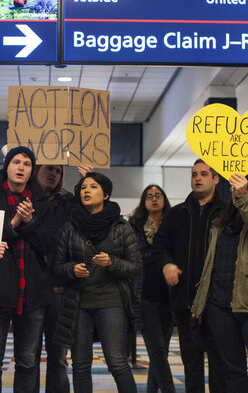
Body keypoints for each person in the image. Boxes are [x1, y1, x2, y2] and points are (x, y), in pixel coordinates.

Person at [191, 172, 248, 393]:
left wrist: (243, 199)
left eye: (245, 188)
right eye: (235, 189)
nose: (238, 192)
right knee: (232, 372)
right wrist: (200, 303)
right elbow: (209, 266)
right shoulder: (221, 222)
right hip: (219, 306)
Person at [51, 172, 141, 393]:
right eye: (83, 188)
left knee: (117, 362)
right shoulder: (70, 227)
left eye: (93, 187)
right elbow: (55, 267)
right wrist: (71, 269)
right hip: (78, 304)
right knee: (80, 365)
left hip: (112, 302)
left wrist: (112, 262)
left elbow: (136, 266)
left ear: (106, 194)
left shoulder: (121, 227)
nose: (86, 191)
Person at [0, 146, 53, 393]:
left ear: (32, 171)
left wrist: (30, 223)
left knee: (28, 363)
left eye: (27, 164)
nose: (21, 167)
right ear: (6, 166)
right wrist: (15, 223)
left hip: (33, 293)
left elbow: (49, 246)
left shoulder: (43, 203)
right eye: (16, 162)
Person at [152, 159, 228, 393]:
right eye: (194, 174)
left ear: (215, 179)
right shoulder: (176, 214)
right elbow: (160, 246)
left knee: (219, 365)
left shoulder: (227, 212)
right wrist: (166, 265)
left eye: (204, 174)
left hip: (218, 301)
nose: (198, 178)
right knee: (191, 365)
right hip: (185, 300)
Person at [128, 184, 175, 393]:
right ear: (143, 202)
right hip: (144, 294)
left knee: (161, 352)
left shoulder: (173, 224)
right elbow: (135, 257)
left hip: (170, 294)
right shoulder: (135, 226)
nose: (154, 199)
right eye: (149, 196)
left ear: (164, 199)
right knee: (156, 350)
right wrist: (160, 255)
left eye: (158, 195)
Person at [34, 164, 73, 393]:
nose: (53, 174)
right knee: (29, 358)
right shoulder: (25, 199)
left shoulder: (68, 203)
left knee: (58, 358)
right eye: (49, 169)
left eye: (58, 171)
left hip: (60, 291)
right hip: (32, 289)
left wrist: (85, 179)